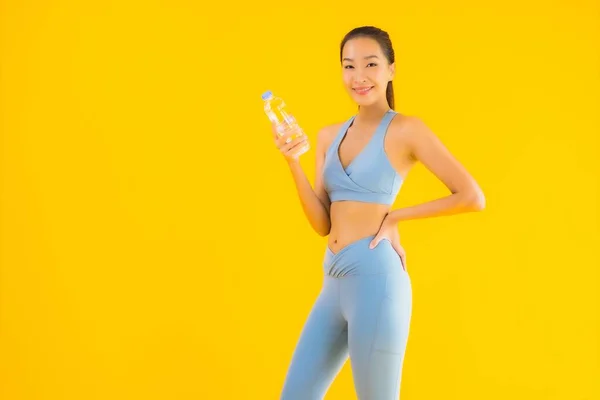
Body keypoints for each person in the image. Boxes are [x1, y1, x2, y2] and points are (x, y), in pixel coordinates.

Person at [273, 26, 485, 400]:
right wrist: (293, 163)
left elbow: (471, 196)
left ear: (391, 70)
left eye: (370, 64)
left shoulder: (406, 130)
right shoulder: (327, 136)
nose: (359, 77)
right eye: (349, 66)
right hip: (332, 281)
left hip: (376, 281)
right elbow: (322, 224)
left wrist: (396, 217)